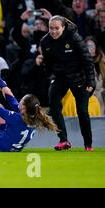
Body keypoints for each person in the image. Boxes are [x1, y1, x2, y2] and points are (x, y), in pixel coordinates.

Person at [40, 15, 96, 151]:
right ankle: (63, 140)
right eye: (51, 28)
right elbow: (47, 63)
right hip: (60, 78)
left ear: (63, 28)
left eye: (56, 28)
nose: (53, 31)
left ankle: (88, 145)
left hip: (79, 78)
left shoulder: (74, 38)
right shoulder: (45, 42)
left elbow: (88, 60)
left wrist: (91, 81)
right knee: (54, 104)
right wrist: (51, 77)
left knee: (82, 111)